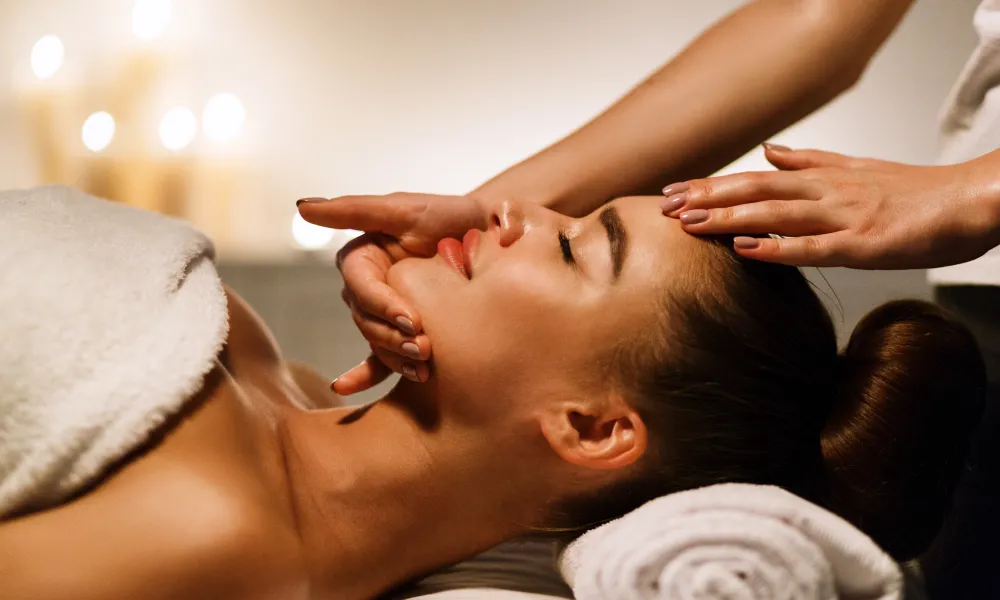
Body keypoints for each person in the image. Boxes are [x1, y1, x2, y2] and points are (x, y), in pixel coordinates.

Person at [0, 193, 985, 599]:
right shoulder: (266, 374)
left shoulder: (210, 533)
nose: (511, 212)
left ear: (592, 428)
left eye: (573, 246)